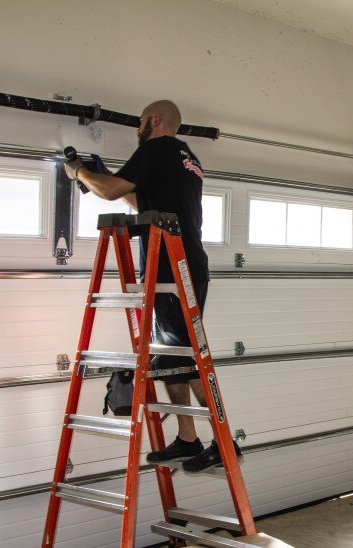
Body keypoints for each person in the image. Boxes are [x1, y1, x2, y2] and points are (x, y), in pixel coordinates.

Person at [65, 99, 228, 472]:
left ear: (153, 120)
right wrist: (104, 174)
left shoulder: (156, 148)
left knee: (185, 354)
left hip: (174, 263)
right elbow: (139, 199)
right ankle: (188, 437)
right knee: (174, 355)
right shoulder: (184, 156)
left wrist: (78, 173)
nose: (139, 128)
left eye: (140, 121)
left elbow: (107, 192)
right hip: (177, 260)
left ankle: (224, 442)